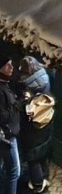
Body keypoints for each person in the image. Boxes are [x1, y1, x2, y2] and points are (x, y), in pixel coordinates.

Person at [18, 87, 54, 194]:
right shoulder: (45, 101)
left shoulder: (26, 108)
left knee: (34, 162)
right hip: (44, 138)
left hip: (32, 142)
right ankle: (45, 178)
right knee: (43, 158)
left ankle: (38, 184)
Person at [0, 54, 21, 194]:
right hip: (7, 136)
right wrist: (15, 106)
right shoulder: (1, 90)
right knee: (14, 171)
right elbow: (2, 116)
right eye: (8, 65)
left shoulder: (4, 83)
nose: (12, 67)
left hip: (7, 134)